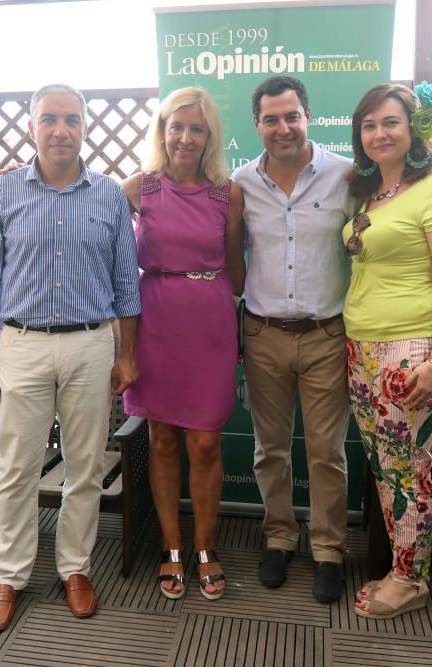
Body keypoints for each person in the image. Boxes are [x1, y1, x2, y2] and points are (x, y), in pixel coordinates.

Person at [0, 83, 141, 631]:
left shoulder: (110, 194)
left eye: (70, 119)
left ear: (84, 127)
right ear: (32, 127)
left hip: (92, 343)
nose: (60, 129)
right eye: (49, 119)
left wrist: (127, 353)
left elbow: (126, 285)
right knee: (16, 467)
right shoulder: (5, 192)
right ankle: (9, 575)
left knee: (85, 464)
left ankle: (75, 567)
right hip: (22, 343)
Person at [341, 83, 432, 619]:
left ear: (413, 128)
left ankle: (411, 580)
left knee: (407, 468)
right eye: (368, 125)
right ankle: (401, 564)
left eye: (390, 122)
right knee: (384, 466)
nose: (378, 134)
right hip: (362, 346)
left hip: (409, 349)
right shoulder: (372, 194)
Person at [232, 76, 355, 603]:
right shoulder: (240, 182)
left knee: (327, 451)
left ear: (308, 115)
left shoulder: (348, 176)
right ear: (257, 124)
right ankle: (280, 536)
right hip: (262, 333)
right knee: (270, 449)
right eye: (270, 119)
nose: (282, 128)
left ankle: (328, 548)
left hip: (327, 334)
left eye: (291, 116)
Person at [121, 87, 245, 601]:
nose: (186, 137)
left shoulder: (227, 193)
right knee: (164, 439)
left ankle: (206, 546)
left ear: (209, 135)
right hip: (154, 320)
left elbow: (237, 269)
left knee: (206, 441)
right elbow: (80, 199)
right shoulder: (138, 188)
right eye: (177, 127)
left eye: (197, 129)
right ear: (163, 131)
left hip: (211, 321)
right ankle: (173, 548)